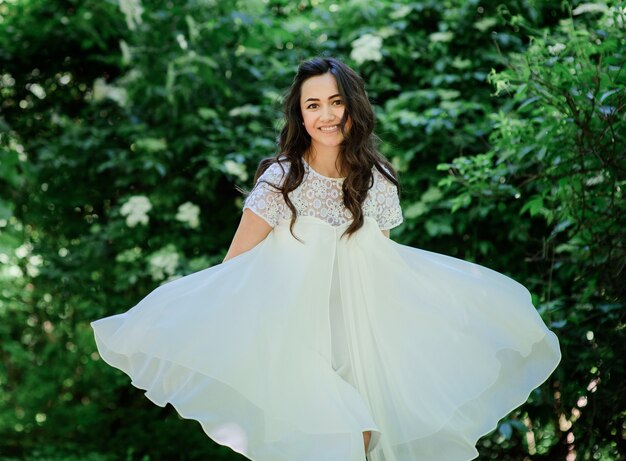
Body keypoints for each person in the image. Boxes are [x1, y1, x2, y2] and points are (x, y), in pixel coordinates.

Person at [91, 57, 561, 461]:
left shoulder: (377, 180)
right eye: (313, 105)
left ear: (352, 106)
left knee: (363, 439)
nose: (326, 115)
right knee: (340, 439)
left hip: (360, 341)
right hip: (299, 344)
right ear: (300, 115)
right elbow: (234, 266)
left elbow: (383, 263)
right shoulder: (281, 181)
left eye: (335, 102)